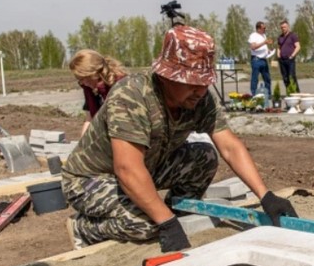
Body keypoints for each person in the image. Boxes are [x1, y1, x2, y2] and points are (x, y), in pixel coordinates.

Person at [62, 25, 298, 251]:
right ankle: (84, 228)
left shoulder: (200, 98)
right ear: (166, 76)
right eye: (192, 82)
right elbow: (126, 169)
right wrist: (166, 223)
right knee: (146, 224)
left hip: (146, 167)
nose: (200, 90)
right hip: (89, 180)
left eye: (204, 82)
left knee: (204, 156)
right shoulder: (131, 95)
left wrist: (266, 196)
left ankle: (169, 210)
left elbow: (229, 147)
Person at [68, 49, 128, 136]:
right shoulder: (88, 88)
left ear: (92, 73)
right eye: (79, 80)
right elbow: (89, 119)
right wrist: (82, 145)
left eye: (83, 79)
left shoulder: (121, 85)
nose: (82, 83)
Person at [248, 21, 273, 96]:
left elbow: (263, 47)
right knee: (255, 78)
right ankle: (254, 94)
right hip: (256, 60)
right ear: (258, 28)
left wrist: (268, 50)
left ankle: (268, 94)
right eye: (263, 28)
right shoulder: (253, 36)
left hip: (264, 59)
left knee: (267, 78)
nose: (265, 29)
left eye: (265, 28)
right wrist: (264, 43)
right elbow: (253, 47)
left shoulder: (264, 35)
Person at [276, 20, 301, 93]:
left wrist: (292, 56)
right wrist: (278, 55)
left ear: (288, 27)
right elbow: (279, 47)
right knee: (285, 77)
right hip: (282, 60)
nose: (283, 28)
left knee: (291, 76)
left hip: (290, 59)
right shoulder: (280, 37)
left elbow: (298, 46)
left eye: (284, 27)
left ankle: (296, 92)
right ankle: (289, 91)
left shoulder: (293, 35)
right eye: (282, 27)